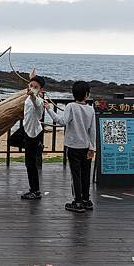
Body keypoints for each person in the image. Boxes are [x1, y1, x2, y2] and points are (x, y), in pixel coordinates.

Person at [44, 81, 96, 213]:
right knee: (86, 174)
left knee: (75, 175)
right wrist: (92, 148)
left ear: (73, 94)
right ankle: (86, 200)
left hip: (73, 147)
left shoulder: (71, 107)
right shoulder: (90, 109)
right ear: (87, 95)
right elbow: (93, 131)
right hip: (86, 147)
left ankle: (77, 201)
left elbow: (61, 121)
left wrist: (49, 109)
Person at [21, 75, 46, 200]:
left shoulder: (39, 101)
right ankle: (39, 146)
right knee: (11, 141)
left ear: (41, 90)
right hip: (26, 130)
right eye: (31, 86)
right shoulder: (29, 97)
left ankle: (35, 191)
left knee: (30, 164)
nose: (32, 88)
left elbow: (36, 103)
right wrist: (32, 77)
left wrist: (32, 94)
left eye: (36, 87)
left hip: (33, 133)